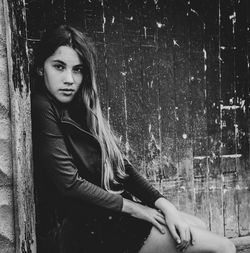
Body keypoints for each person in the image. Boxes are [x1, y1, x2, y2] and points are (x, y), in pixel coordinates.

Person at [31, 24, 236, 253]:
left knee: (196, 226)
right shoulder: (41, 106)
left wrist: (164, 205)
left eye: (77, 69)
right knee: (223, 247)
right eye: (59, 67)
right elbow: (69, 184)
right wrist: (139, 210)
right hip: (84, 228)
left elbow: (122, 168)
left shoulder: (81, 108)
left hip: (107, 216)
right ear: (41, 68)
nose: (69, 79)